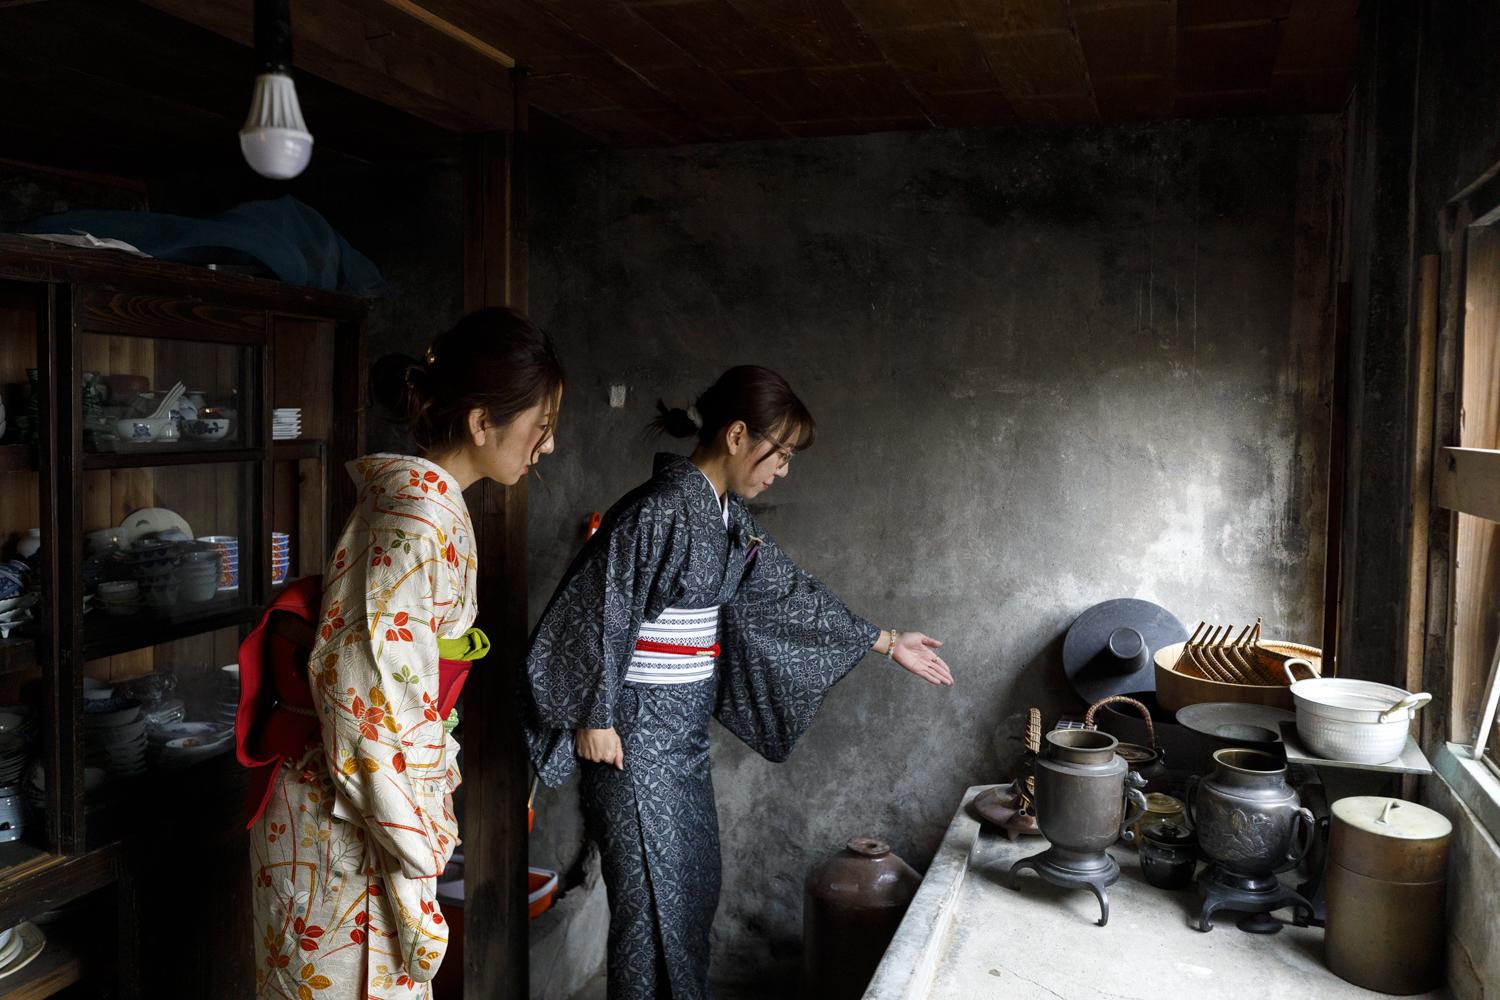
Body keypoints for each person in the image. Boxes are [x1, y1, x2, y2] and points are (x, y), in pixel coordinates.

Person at [522, 365, 952, 1000]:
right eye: (778, 453)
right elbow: (599, 607)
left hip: (681, 738)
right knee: (647, 914)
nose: (782, 470)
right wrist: (594, 716)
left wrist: (885, 641)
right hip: (631, 741)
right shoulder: (660, 510)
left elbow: (787, 593)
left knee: (690, 893)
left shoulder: (725, 519)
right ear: (737, 435)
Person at [246, 307, 563, 999]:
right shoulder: (416, 520)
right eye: (540, 427)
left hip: (359, 798)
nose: (545, 447)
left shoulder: (425, 510)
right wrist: (417, 851)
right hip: (347, 817)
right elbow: (358, 700)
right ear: (483, 422)